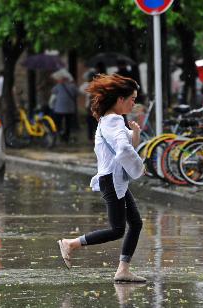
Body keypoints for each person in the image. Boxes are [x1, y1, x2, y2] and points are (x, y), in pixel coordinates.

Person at [57, 74, 146, 283]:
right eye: (132, 98)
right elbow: (124, 150)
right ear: (119, 99)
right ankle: (71, 243)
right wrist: (140, 167)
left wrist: (135, 134)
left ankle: (123, 269)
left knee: (136, 222)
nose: (134, 103)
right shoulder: (114, 121)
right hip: (112, 181)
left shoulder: (110, 120)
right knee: (117, 229)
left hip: (115, 180)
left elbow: (124, 146)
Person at [50, 74, 79, 143]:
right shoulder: (73, 86)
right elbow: (77, 94)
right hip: (70, 109)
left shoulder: (58, 86)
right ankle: (66, 138)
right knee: (68, 124)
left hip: (59, 109)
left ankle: (60, 134)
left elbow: (53, 93)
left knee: (58, 123)